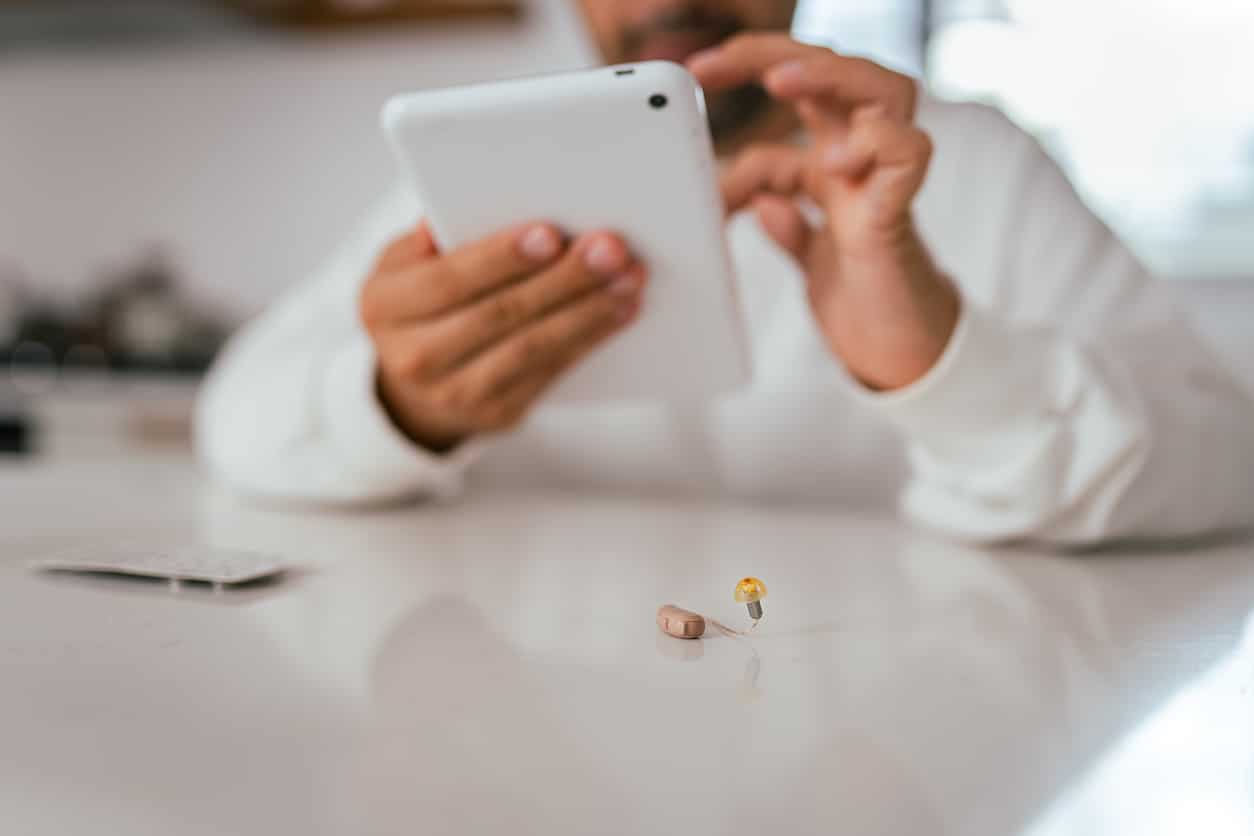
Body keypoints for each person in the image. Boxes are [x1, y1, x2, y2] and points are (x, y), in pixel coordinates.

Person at [196, 0, 1254, 545]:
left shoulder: (967, 164)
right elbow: (238, 416)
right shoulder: (485, 179)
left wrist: (944, 364)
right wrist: (398, 401)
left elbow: (1226, 462)